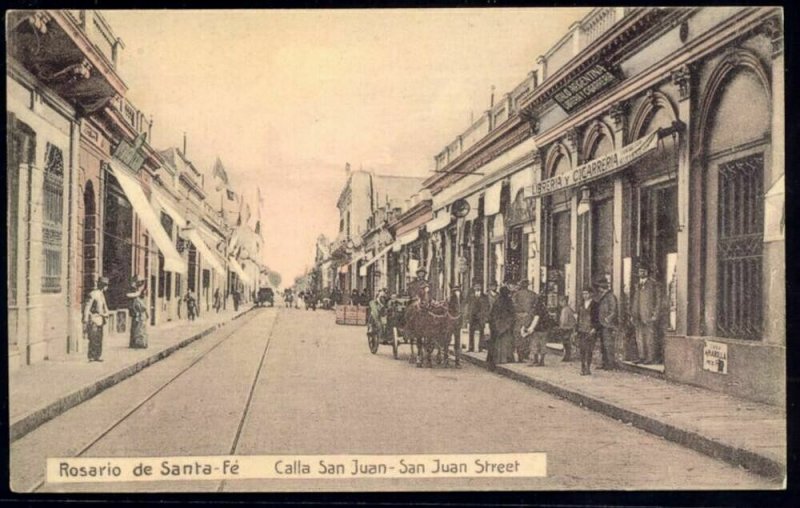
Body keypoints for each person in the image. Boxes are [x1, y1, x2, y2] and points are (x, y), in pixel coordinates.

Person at [631, 264, 662, 364]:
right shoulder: (637, 285)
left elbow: (658, 301)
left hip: (648, 315)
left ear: (647, 272)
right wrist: (633, 314)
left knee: (650, 337)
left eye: (643, 271)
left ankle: (650, 358)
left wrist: (655, 314)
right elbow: (635, 300)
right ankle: (642, 356)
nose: (641, 273)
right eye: (640, 271)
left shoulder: (653, 284)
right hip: (638, 315)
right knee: (639, 337)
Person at [487, 284, 515, 371]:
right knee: (507, 342)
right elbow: (512, 313)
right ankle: (506, 358)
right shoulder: (509, 301)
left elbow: (492, 314)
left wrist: (493, 324)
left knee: (497, 343)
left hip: (497, 325)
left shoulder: (497, 301)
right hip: (506, 325)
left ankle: (496, 359)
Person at [525, 285, 555, 367]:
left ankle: (536, 360)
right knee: (542, 345)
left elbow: (536, 319)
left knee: (535, 345)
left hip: (538, 329)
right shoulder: (544, 308)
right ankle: (541, 361)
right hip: (544, 329)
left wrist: (530, 328)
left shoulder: (537, 308)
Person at [84, 277, 110, 362]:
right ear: (103, 286)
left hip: (100, 320)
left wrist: (106, 313)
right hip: (94, 319)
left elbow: (105, 307)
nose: (107, 287)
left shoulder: (101, 295)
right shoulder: (93, 294)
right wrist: (85, 319)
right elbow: (87, 307)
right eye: (106, 285)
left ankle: (97, 356)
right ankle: (91, 356)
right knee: (93, 338)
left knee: (99, 339)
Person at [595, 277, 618, 370]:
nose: (598, 289)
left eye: (600, 287)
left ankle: (610, 364)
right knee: (603, 345)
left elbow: (614, 310)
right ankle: (605, 363)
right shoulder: (602, 296)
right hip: (601, 323)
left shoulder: (610, 296)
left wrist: (608, 319)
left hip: (607, 325)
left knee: (608, 344)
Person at [512, 278, 537, 363]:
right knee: (527, 335)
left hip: (519, 317)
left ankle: (520, 355)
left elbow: (513, 306)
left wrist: (518, 313)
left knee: (519, 336)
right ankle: (526, 354)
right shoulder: (533, 294)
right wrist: (530, 313)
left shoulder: (516, 294)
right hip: (529, 317)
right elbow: (535, 306)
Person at [577, 287, 599, 375]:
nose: (585, 296)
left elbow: (597, 318)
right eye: (583, 294)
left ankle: (588, 368)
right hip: (582, 329)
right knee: (582, 349)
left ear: (591, 294)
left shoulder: (595, 305)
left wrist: (594, 328)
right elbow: (578, 317)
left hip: (590, 330)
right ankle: (582, 367)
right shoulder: (581, 304)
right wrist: (576, 329)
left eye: (586, 294)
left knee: (589, 350)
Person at [465, 282, 490, 353]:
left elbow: (487, 307)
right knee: (471, 332)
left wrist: (485, 316)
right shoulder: (471, 296)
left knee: (481, 332)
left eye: (479, 286)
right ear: (474, 287)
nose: (477, 287)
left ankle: (480, 347)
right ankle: (471, 347)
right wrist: (467, 316)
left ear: (481, 287)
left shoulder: (485, 297)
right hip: (472, 316)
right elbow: (468, 307)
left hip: (481, 317)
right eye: (476, 286)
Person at [128, 280, 149, 349]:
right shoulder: (136, 298)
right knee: (137, 329)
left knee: (140, 329)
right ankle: (137, 343)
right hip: (138, 314)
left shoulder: (140, 298)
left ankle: (141, 343)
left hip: (141, 315)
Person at [557, 295, 577, 362]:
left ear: (564, 301)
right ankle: (567, 356)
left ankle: (567, 357)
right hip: (569, 328)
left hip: (566, 328)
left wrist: (560, 327)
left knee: (566, 343)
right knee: (567, 343)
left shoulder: (565, 309)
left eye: (561, 301)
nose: (560, 303)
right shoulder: (569, 309)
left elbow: (564, 320)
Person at [448, 284, 464, 368]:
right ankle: (446, 357)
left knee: (458, 340)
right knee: (448, 337)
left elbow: (462, 304)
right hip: (451, 318)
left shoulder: (461, 298)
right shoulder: (451, 299)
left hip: (458, 318)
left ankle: (457, 360)